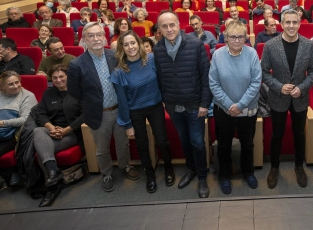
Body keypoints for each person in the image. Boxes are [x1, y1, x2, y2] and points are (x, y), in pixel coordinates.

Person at [68, 22, 139, 192]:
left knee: (123, 144)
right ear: (84, 39)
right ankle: (106, 173)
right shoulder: (76, 64)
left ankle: (125, 166)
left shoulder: (114, 56)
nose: (96, 39)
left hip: (120, 110)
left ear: (104, 36)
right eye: (91, 36)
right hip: (98, 114)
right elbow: (74, 92)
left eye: (99, 35)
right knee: (102, 149)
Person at [154, 12, 211, 198]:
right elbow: (160, 78)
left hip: (195, 105)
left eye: (172, 25)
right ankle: (191, 169)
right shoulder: (158, 49)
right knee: (184, 140)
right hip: (173, 105)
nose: (169, 29)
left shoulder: (195, 45)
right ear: (159, 29)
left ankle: (202, 177)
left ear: (179, 25)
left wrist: (204, 103)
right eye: (164, 26)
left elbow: (206, 76)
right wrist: (165, 100)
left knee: (197, 142)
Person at [110, 31, 174, 193]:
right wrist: (127, 124)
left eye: (133, 43)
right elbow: (123, 101)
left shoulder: (152, 59)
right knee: (142, 144)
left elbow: (163, 80)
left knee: (162, 140)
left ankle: (168, 168)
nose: (130, 47)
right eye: (126, 44)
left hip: (155, 106)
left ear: (139, 44)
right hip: (135, 111)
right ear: (121, 48)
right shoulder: (119, 72)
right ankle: (150, 174)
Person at [261, 10, 313, 188]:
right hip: (278, 98)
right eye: (288, 22)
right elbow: (263, 72)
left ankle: (299, 167)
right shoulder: (270, 45)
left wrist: (301, 89)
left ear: (300, 23)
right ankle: (274, 168)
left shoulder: (308, 45)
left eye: (295, 22)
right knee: (277, 135)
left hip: (299, 99)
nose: (291, 26)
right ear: (281, 24)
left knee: (299, 134)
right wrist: (279, 87)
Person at [209, 21, 261, 194]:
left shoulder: (252, 53)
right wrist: (229, 105)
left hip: (247, 110)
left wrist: (239, 105)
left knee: (248, 144)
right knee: (224, 145)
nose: (237, 40)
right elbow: (214, 84)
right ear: (225, 37)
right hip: (224, 110)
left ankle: (248, 172)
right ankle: (224, 176)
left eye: (240, 37)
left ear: (246, 37)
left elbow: (256, 83)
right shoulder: (217, 55)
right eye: (233, 37)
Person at [30, 65, 83, 206]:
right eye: (55, 78)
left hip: (71, 133)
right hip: (52, 131)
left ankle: (52, 188)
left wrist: (65, 130)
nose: (58, 80)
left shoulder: (79, 92)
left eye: (61, 76)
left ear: (68, 77)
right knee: (38, 131)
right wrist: (51, 128)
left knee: (42, 150)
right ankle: (53, 170)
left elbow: (85, 115)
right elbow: (40, 113)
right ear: (51, 79)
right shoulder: (48, 93)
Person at [0, 71, 38, 193]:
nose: (16, 86)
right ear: (2, 86)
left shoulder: (27, 96)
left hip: (12, 134)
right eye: (11, 84)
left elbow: (25, 119)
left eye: (17, 82)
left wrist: (0, 123)